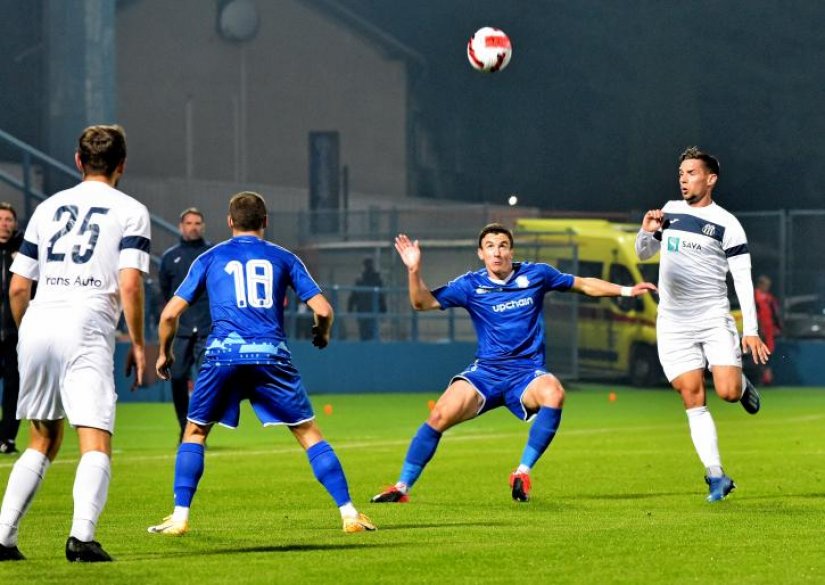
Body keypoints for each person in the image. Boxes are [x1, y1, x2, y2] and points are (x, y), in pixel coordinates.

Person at [371, 223, 656, 504]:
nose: (497, 252)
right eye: (490, 247)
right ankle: (401, 487)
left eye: (503, 246)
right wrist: (413, 270)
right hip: (486, 373)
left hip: (526, 374)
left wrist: (627, 291)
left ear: (511, 250)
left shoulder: (536, 274)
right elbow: (422, 303)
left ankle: (522, 472)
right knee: (438, 416)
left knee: (554, 393)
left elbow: (583, 285)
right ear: (481, 253)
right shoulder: (470, 285)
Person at [147, 191, 375, 536]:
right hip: (270, 356)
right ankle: (349, 513)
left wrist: (164, 352)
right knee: (308, 432)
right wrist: (323, 334)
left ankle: (179, 517)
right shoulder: (283, 258)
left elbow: (168, 315)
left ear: (229, 222)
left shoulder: (210, 258)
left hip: (223, 354)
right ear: (265, 222)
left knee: (194, 432)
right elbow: (324, 310)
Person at [0, 125, 150, 562]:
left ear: (78, 160)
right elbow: (130, 284)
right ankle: (81, 537)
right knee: (95, 437)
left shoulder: (47, 208)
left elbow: (16, 287)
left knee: (41, 437)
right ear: (122, 164)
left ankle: (4, 537)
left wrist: (28, 332)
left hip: (39, 320)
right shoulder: (130, 210)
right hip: (86, 323)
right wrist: (138, 344)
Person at [635, 146, 768, 503]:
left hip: (712, 319)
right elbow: (644, 254)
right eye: (681, 173)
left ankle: (741, 387)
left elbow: (742, 279)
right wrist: (647, 232)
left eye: (691, 173)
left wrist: (750, 329)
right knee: (692, 396)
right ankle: (716, 475)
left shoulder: (728, 224)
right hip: (673, 322)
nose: (684, 179)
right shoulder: (670, 212)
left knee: (725, 391)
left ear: (711, 179)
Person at [158, 208, 211, 440]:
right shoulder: (170, 257)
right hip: (180, 331)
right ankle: (184, 427)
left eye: (198, 222)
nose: (193, 227)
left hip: (208, 329)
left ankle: (198, 429)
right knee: (178, 378)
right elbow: (165, 295)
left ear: (203, 226)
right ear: (181, 227)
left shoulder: (212, 254)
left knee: (207, 380)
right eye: (189, 223)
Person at [0, 203, 23, 455]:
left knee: (14, 388)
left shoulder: (24, 251)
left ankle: (7, 438)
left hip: (16, 332)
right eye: (1, 219)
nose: (5, 223)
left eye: (9, 219)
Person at [347, 257, 386, 340]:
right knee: (372, 333)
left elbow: (354, 295)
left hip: (363, 310)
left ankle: (366, 348)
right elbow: (381, 296)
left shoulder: (361, 279)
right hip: (372, 310)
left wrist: (349, 309)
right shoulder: (376, 279)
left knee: (364, 334)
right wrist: (383, 310)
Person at [754, 275, 781, 385]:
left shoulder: (770, 299)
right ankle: (760, 377)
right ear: (760, 285)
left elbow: (776, 314)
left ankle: (766, 378)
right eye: (765, 285)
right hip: (756, 330)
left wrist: (777, 327)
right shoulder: (753, 296)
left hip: (768, 330)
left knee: (767, 354)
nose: (767, 287)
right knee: (757, 353)